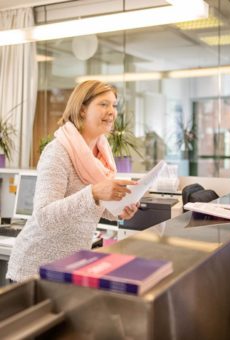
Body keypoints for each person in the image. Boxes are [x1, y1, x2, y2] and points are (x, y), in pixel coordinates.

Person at [7, 80, 139, 282]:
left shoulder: (102, 153)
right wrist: (93, 193)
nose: (111, 111)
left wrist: (118, 210)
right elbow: (44, 217)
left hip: (71, 265)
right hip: (35, 269)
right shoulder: (58, 151)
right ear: (82, 110)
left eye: (114, 105)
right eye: (103, 104)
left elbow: (90, 206)